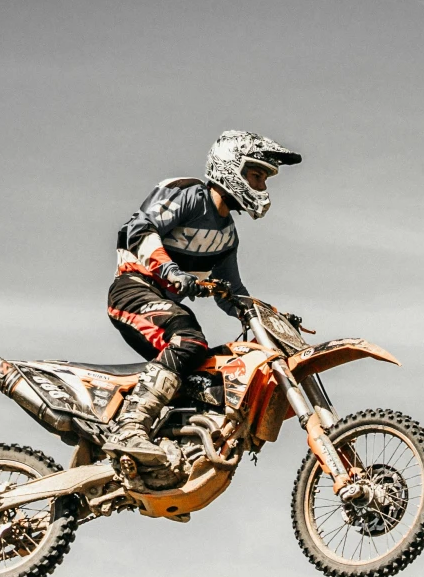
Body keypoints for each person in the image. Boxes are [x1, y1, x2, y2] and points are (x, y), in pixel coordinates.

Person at [102, 129, 301, 467]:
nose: (262, 187)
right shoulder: (190, 197)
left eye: (266, 179)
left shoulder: (226, 236)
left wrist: (270, 318)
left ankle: (173, 451)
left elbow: (233, 294)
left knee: (209, 376)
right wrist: (169, 271)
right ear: (231, 168)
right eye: (256, 175)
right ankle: (129, 428)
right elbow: (139, 228)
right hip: (133, 291)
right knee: (189, 339)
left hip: (166, 306)